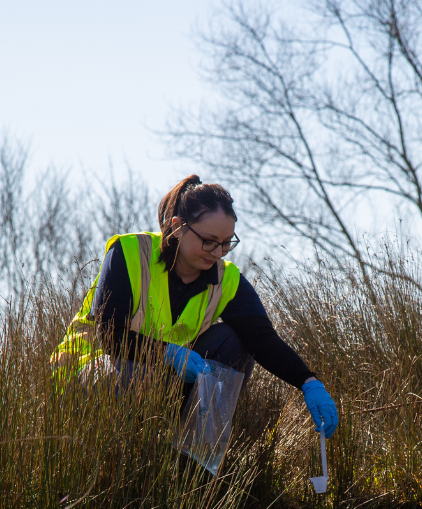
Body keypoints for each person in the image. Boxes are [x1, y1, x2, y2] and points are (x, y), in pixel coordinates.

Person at [51, 175, 338, 439]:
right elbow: (111, 336)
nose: (217, 253)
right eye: (208, 241)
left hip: (162, 379)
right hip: (89, 377)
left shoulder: (227, 280)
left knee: (234, 339)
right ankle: (123, 459)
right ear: (177, 227)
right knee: (136, 374)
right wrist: (169, 355)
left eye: (226, 244)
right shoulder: (129, 252)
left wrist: (307, 382)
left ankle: (194, 460)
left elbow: (263, 340)